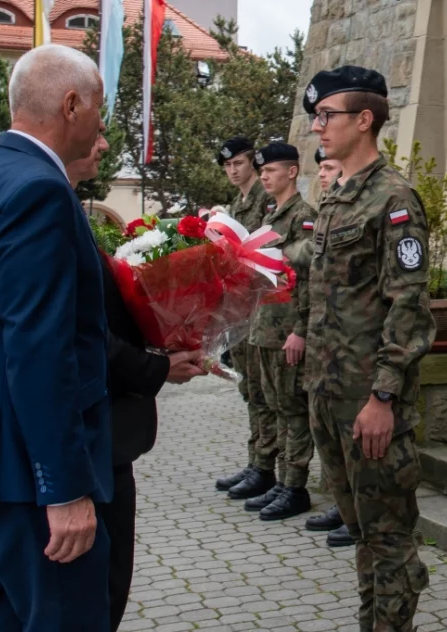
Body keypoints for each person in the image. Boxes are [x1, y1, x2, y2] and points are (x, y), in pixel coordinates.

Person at [0, 44, 113, 632]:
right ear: (71, 104)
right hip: (25, 482)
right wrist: (62, 489)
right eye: (99, 110)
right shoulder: (40, 190)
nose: (100, 127)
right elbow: (39, 350)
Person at [303, 65, 436, 631]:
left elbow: (408, 307)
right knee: (359, 532)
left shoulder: (394, 200)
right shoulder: (335, 201)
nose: (317, 127)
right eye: (315, 117)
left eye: (326, 115)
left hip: (368, 403)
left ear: (364, 119)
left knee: (388, 540)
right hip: (327, 396)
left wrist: (384, 395)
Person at [65, 132, 206, 631]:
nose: (104, 145)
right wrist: (159, 367)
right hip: (88, 446)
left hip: (103, 442)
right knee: (96, 593)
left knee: (104, 590)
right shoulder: (50, 213)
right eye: (95, 133)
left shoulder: (65, 211)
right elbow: (83, 342)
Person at [243, 142, 316, 521]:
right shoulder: (270, 215)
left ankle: (294, 485)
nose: (265, 177)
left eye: (271, 171)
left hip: (287, 328)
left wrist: (301, 330)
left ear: (291, 172)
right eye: (263, 172)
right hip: (265, 325)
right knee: (272, 404)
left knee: (292, 408)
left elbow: (307, 281)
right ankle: (278, 479)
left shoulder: (303, 217)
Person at [213, 136, 280, 502]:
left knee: (267, 393)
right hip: (241, 311)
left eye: (238, 163)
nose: (233, 171)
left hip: (264, 310)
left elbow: (268, 253)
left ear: (252, 163)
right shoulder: (237, 205)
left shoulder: (266, 201)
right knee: (250, 390)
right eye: (227, 166)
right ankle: (257, 461)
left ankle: (268, 466)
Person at [304, 145, 354, 547]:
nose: (323, 174)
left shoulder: (373, 203)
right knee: (330, 443)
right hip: (324, 352)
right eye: (319, 167)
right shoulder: (329, 208)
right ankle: (343, 506)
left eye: (329, 167)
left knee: (351, 443)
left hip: (352, 356)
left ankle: (355, 515)